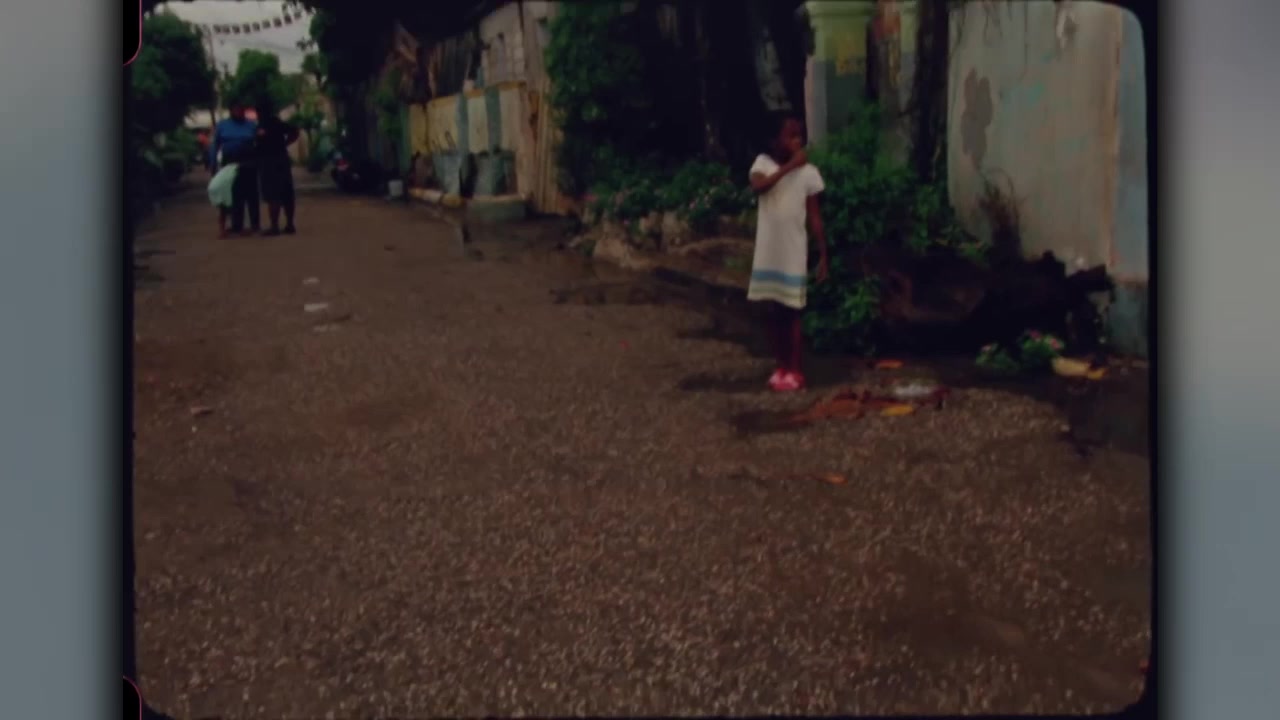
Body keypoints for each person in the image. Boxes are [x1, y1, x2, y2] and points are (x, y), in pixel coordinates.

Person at [746, 113, 829, 392]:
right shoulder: (763, 164)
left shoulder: (809, 173)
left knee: (792, 311)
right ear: (775, 140)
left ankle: (795, 369)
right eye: (790, 136)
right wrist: (789, 167)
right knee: (772, 311)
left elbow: (814, 216)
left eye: (799, 136)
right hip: (769, 252)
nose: (797, 141)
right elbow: (758, 187)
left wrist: (823, 254)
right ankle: (780, 366)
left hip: (793, 252)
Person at [209, 103, 260, 234]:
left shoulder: (251, 125)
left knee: (252, 194)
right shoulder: (222, 125)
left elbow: (259, 143)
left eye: (241, 110)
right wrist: (213, 164)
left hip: (248, 162)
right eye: (236, 110)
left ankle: (255, 224)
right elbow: (215, 145)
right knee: (235, 194)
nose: (239, 112)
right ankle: (237, 225)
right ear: (231, 111)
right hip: (230, 163)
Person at [254, 102, 301, 235]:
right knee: (286, 192)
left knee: (272, 194)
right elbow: (295, 131)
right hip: (282, 159)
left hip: (269, 161)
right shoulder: (278, 123)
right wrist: (285, 144)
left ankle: (274, 226)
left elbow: (294, 132)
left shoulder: (264, 124)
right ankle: (290, 224)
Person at [207, 161, 238, 238]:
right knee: (227, 208)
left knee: (223, 209)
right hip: (222, 188)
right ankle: (224, 231)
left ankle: (223, 230)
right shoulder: (237, 169)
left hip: (213, 186)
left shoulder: (228, 167)